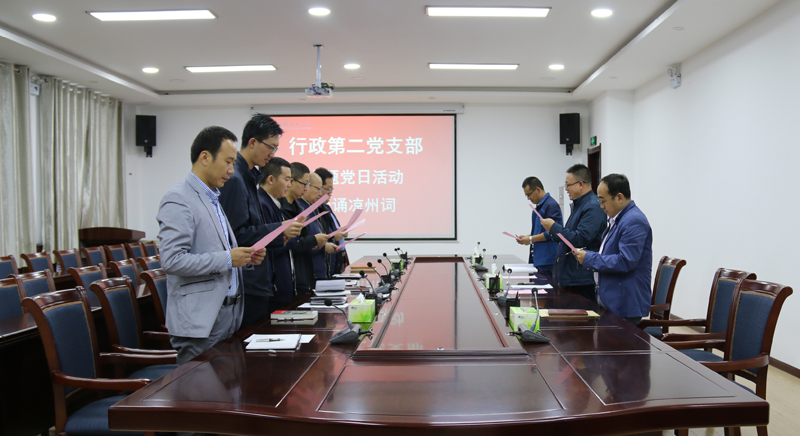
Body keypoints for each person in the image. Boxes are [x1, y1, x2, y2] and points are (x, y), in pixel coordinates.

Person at [157, 126, 266, 365]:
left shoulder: (213, 198)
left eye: (233, 163)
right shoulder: (179, 199)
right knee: (201, 388)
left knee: (229, 388)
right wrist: (228, 258)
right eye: (228, 162)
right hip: (201, 322)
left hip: (229, 315)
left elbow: (216, 251)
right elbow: (172, 261)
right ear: (205, 157)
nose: (231, 171)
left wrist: (246, 259)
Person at [218, 113, 303, 328]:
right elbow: (235, 235)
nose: (272, 154)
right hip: (246, 282)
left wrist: (278, 234)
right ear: (253, 142)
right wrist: (279, 229)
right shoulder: (235, 179)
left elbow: (252, 228)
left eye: (276, 149)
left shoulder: (248, 177)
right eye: (270, 147)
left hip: (256, 279)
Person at [574, 174, 652, 325]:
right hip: (612, 299)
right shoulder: (618, 219)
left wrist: (590, 258)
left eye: (603, 201)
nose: (601, 206)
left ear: (619, 198)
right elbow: (609, 253)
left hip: (624, 303)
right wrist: (589, 255)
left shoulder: (633, 220)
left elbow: (626, 261)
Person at [540, 164, 606, 302]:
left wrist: (554, 228)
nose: (566, 189)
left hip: (581, 280)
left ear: (580, 184)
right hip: (571, 277)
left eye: (568, 185)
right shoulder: (580, 205)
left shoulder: (592, 207)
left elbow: (580, 239)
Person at [281, 162, 329, 299]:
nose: (306, 189)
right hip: (289, 278)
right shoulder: (281, 209)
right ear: (291, 181)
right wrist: (313, 240)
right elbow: (290, 243)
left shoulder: (300, 209)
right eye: (304, 184)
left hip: (305, 276)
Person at [257, 157, 297, 312]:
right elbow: (267, 243)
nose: (289, 185)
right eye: (287, 180)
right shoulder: (262, 203)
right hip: (272, 284)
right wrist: (287, 236)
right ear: (271, 179)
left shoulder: (273, 203)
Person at [516, 176, 562, 278]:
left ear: (537, 189)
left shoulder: (551, 205)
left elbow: (554, 232)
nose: (528, 198)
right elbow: (538, 232)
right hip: (537, 259)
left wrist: (531, 239)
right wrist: (527, 237)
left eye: (529, 194)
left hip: (547, 261)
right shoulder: (538, 208)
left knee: (546, 287)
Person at [299, 171, 338, 281]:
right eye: (318, 189)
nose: (321, 194)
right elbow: (297, 244)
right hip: (309, 274)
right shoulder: (300, 210)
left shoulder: (314, 208)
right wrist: (321, 246)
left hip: (321, 271)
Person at [314, 167, 349, 276]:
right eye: (328, 189)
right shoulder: (314, 210)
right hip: (321, 266)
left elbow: (329, 230)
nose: (330, 193)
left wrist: (338, 231)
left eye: (331, 189)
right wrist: (333, 236)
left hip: (335, 261)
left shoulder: (326, 208)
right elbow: (319, 235)